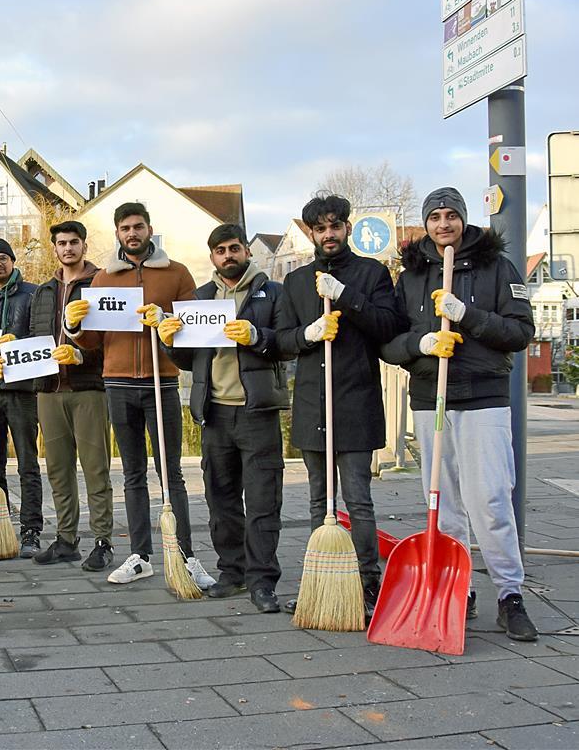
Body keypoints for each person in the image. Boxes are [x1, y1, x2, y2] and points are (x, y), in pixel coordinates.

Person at [381, 187, 538, 641]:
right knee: (442, 502)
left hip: (484, 398)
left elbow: (520, 331)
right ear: (426, 223)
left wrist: (466, 315)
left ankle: (511, 595)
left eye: (452, 215)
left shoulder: (496, 266)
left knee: (489, 498)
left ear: (464, 220)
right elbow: (390, 342)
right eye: (435, 217)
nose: (443, 224)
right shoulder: (411, 274)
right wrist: (422, 344)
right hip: (432, 399)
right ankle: (458, 586)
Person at [64, 202, 214, 589]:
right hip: (117, 382)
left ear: (149, 229)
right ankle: (140, 555)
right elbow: (95, 340)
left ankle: (186, 555)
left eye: (138, 226)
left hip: (161, 382)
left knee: (172, 473)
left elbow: (192, 328)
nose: (132, 233)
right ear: (117, 234)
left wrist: (165, 324)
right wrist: (73, 325)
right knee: (132, 473)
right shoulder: (103, 280)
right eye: (125, 228)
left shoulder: (176, 272)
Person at [274, 193, 406, 618]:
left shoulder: (371, 274)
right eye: (320, 228)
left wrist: (347, 296)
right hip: (313, 401)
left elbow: (388, 327)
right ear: (311, 233)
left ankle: (369, 582)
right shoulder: (295, 283)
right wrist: (308, 334)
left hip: (355, 398)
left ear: (347, 227)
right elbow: (280, 341)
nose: (328, 234)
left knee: (358, 499)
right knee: (318, 501)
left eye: (335, 226)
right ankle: (321, 578)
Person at [159, 224, 288, 613]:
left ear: (246, 251)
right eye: (220, 250)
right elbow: (187, 359)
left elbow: (287, 342)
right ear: (212, 256)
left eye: (234, 248)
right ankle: (232, 572)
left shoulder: (271, 293)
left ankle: (262, 580)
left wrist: (256, 336)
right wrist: (169, 340)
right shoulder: (201, 298)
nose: (227, 255)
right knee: (221, 498)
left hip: (257, 410)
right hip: (214, 412)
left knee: (264, 498)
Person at [25, 220, 115, 571]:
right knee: (58, 471)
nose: (67, 248)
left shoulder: (100, 284)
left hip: (88, 387)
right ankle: (66, 539)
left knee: (96, 470)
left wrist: (84, 356)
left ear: (84, 245)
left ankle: (103, 541)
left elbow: (111, 338)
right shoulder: (43, 292)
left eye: (73, 242)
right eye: (61, 243)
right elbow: (34, 336)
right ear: (55, 248)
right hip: (49, 390)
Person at [0, 239, 43, 558]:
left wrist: (18, 342)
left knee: (28, 462)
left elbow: (42, 335)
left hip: (22, 389)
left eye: (3, 258)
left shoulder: (33, 294)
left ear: (12, 262)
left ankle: (31, 530)